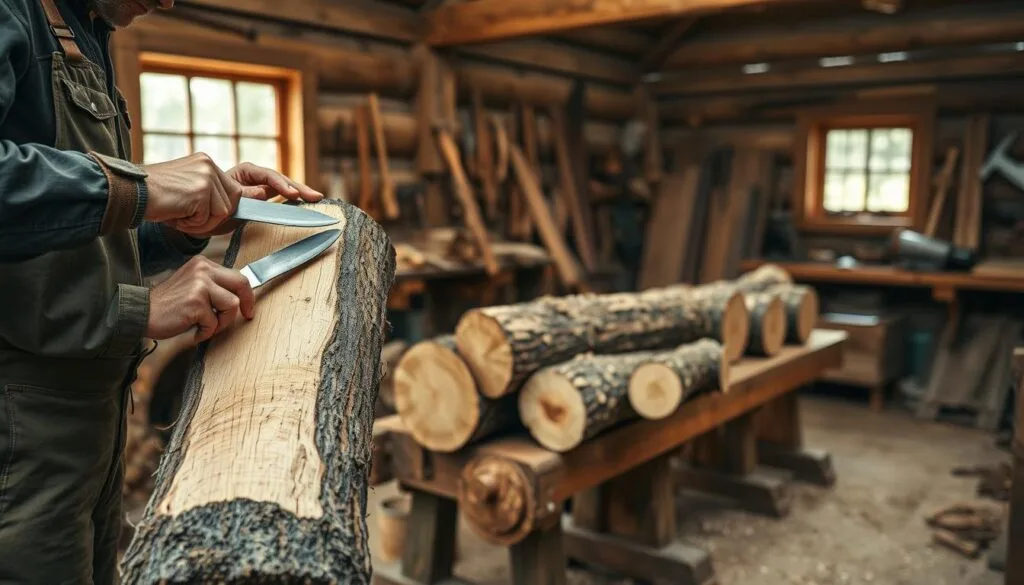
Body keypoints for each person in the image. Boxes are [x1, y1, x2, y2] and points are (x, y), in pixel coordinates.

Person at [0, 0, 324, 582]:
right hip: (20, 434)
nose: (169, 2)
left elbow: (68, 239)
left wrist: (179, 225)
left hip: (94, 424)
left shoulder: (87, 30)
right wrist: (144, 188)